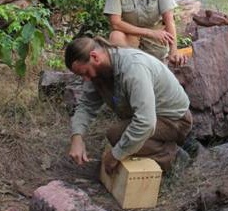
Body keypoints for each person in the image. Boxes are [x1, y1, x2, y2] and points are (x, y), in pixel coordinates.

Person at [65, 36, 193, 175]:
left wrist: (116, 155)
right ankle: (161, 144)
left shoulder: (133, 69)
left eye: (85, 73)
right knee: (118, 136)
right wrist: (77, 137)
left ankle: (174, 156)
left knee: (117, 137)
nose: (86, 79)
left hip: (175, 120)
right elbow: (87, 105)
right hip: (153, 117)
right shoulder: (98, 71)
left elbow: (146, 122)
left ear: (95, 56)